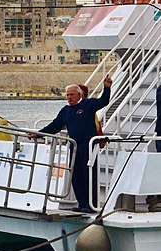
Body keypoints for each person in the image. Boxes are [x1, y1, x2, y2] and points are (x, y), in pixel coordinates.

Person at [37, 78, 113, 212]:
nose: (69, 97)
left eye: (71, 94)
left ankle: (91, 205)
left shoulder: (88, 104)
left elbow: (104, 101)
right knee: (76, 176)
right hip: (74, 147)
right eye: (67, 95)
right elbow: (55, 126)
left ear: (79, 95)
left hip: (88, 146)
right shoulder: (65, 111)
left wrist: (106, 88)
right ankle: (82, 204)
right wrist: (39, 134)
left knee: (89, 175)